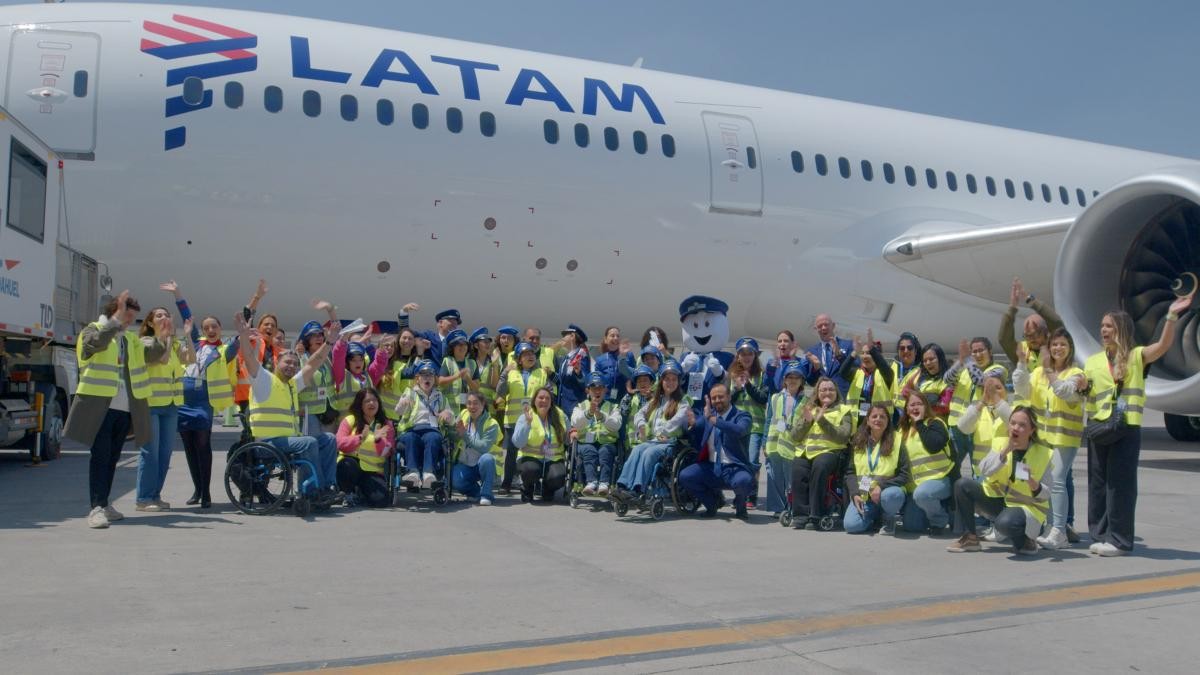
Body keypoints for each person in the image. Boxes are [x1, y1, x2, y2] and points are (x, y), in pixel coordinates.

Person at [1082, 294, 1192, 556]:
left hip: (1125, 429)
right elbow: (1089, 392)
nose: (1103, 330)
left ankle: (1119, 540)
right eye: (1102, 325)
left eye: (1109, 326)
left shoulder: (1135, 356)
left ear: (1120, 329)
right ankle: (1100, 534)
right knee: (1097, 484)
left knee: (1120, 486)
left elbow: (1163, 345)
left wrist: (1171, 316)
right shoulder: (1093, 361)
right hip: (1099, 428)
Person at [65, 291, 165, 528]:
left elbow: (151, 355)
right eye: (127, 315)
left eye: (132, 317)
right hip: (100, 407)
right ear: (114, 312)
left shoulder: (128, 339)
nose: (130, 321)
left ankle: (105, 504)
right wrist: (114, 323)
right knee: (100, 457)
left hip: (123, 409)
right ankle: (95, 508)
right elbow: (94, 344)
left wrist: (162, 335)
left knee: (111, 458)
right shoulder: (93, 330)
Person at [235, 311, 340, 503]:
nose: (292, 366)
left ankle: (328, 486)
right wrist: (243, 336)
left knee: (330, 439)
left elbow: (314, 362)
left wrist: (330, 342)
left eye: (294, 364)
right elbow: (249, 358)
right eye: (287, 362)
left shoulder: (292, 385)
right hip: (267, 443)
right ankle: (313, 490)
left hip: (287, 441)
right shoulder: (264, 380)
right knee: (308, 442)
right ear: (277, 363)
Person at [161, 280, 238, 509]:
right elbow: (187, 317)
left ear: (220, 329)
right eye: (207, 327)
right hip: (184, 398)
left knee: (203, 444)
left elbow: (241, 337)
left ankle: (206, 493)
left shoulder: (224, 350)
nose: (210, 330)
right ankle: (196, 489)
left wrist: (253, 305)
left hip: (204, 400)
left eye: (214, 326)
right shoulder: (195, 343)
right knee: (188, 445)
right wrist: (178, 294)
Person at [947, 406, 1053, 555]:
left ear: (1032, 430)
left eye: (1022, 425)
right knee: (962, 485)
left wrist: (1032, 482)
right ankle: (970, 538)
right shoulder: (1001, 443)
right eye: (1013, 423)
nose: (1015, 428)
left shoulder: (1044, 453)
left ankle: (1025, 541)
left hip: (1026, 511)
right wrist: (1004, 452)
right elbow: (984, 469)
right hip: (999, 503)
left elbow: (1047, 494)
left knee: (1004, 523)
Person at [1014, 329, 1085, 549]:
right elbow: (1022, 390)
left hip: (1065, 438)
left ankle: (1059, 530)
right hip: (1043, 438)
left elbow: (1064, 391)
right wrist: (1021, 364)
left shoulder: (1077, 373)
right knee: (1045, 482)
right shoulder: (1037, 374)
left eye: (1063, 344)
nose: (1057, 349)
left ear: (1070, 348)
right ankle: (1049, 526)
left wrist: (1047, 370)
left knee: (1057, 481)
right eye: (1054, 345)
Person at [135, 303, 195, 511]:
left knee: (164, 454)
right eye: (159, 316)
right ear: (150, 323)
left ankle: (155, 495)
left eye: (166, 315)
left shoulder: (174, 343)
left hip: (170, 406)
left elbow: (192, 359)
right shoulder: (145, 342)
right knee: (150, 453)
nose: (164, 318)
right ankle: (143, 498)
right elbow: (162, 359)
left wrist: (187, 335)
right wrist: (168, 338)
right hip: (150, 405)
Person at [610, 361, 688, 504]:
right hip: (655, 441)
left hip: (671, 443)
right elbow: (640, 413)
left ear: (678, 382)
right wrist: (642, 425)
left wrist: (661, 431)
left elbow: (677, 420)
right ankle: (622, 486)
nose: (670, 382)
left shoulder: (683, 401)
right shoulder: (656, 400)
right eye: (667, 379)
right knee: (637, 449)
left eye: (674, 379)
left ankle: (638, 489)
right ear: (661, 381)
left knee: (648, 453)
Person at [677, 383, 754, 519]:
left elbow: (739, 431)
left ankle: (741, 507)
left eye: (721, 397)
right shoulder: (708, 416)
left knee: (744, 481)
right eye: (714, 398)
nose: (717, 400)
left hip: (735, 468)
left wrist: (714, 420)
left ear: (729, 397)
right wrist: (692, 424)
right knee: (685, 476)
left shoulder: (742, 416)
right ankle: (712, 504)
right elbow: (696, 427)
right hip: (711, 467)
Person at [788, 377, 852, 530]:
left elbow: (843, 436)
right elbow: (795, 436)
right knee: (798, 468)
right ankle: (800, 515)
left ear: (836, 392)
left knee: (820, 465)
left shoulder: (844, 411)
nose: (827, 392)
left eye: (831, 389)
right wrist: (807, 421)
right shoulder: (809, 409)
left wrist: (822, 420)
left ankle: (816, 514)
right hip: (807, 452)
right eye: (823, 390)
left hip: (831, 452)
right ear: (817, 393)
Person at [843, 404, 910, 534]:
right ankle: (875, 517)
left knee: (892, 495)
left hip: (887, 493)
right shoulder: (858, 441)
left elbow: (904, 474)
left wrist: (881, 486)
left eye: (882, 417)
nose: (878, 419)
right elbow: (850, 472)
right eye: (874, 416)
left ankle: (888, 519)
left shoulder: (897, 439)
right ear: (867, 420)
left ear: (888, 421)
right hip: (865, 494)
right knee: (851, 526)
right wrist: (855, 493)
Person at [946, 337, 1009, 471]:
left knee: (980, 468)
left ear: (990, 352)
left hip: (981, 427)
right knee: (951, 468)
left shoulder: (998, 370)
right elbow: (947, 380)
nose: (977, 355)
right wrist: (960, 361)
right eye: (974, 352)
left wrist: (968, 360)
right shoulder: (965, 370)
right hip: (958, 426)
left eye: (981, 350)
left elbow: (980, 380)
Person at [897, 391, 954, 535]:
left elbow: (933, 446)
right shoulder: (902, 430)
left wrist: (920, 423)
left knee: (923, 495)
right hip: (914, 486)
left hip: (939, 479)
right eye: (912, 405)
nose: (915, 408)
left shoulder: (936, 422)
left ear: (926, 406)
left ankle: (939, 520)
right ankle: (930, 510)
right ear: (906, 409)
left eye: (919, 404)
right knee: (912, 527)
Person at [496, 341, 549, 494]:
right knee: (511, 454)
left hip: (534, 420)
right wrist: (504, 373)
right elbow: (500, 392)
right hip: (513, 420)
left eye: (532, 354)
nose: (530, 357)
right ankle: (506, 483)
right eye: (526, 354)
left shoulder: (541, 373)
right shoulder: (511, 373)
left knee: (534, 451)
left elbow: (548, 394)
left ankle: (534, 483)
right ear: (519, 359)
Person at [394, 359, 453, 489]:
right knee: (410, 438)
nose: (427, 378)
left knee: (433, 438)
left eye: (430, 375)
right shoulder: (410, 392)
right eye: (424, 375)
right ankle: (413, 472)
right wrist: (403, 404)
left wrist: (447, 415)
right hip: (412, 429)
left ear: (435, 379)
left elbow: (451, 417)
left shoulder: (440, 396)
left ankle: (428, 473)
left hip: (431, 430)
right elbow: (398, 411)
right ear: (417, 378)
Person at [334, 388, 394, 508]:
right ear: (360, 404)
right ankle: (348, 493)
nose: (371, 403)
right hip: (351, 466)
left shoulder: (386, 424)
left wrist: (378, 440)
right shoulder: (350, 420)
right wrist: (360, 438)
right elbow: (339, 443)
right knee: (347, 465)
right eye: (367, 401)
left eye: (374, 400)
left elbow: (387, 452)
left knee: (381, 502)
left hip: (373, 471)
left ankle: (361, 492)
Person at [727, 337, 768, 508]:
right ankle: (740, 495)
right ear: (737, 356)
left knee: (751, 461)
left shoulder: (762, 375)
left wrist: (749, 385)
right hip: (737, 426)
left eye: (750, 353)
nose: (746, 357)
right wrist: (737, 387)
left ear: (755, 355)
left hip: (755, 426)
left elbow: (763, 398)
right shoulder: (731, 375)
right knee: (738, 462)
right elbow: (728, 400)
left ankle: (751, 495)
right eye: (743, 354)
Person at [998, 277, 1063, 379]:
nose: (1031, 339)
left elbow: (1057, 323)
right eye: (1027, 336)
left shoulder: (1056, 347)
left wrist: (1030, 300)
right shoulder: (1021, 351)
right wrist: (1012, 308)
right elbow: (1003, 339)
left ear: (1046, 333)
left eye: (1035, 334)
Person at [763, 361, 806, 516]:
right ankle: (778, 507)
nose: (793, 380)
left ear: (802, 381)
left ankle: (792, 507)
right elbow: (769, 420)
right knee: (774, 477)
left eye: (797, 377)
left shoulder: (805, 401)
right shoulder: (775, 397)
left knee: (791, 479)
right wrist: (763, 442)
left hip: (792, 444)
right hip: (774, 444)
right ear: (785, 380)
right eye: (790, 377)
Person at [569, 372, 622, 495]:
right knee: (588, 450)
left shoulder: (613, 406)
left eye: (600, 388)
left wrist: (601, 416)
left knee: (605, 452)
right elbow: (575, 423)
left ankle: (604, 483)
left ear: (605, 390)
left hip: (607, 442)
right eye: (594, 388)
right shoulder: (580, 406)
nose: (597, 391)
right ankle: (591, 482)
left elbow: (616, 425)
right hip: (585, 442)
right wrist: (588, 413)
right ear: (588, 390)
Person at [512, 387, 569, 503]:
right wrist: (527, 424)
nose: (544, 400)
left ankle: (548, 489)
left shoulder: (560, 415)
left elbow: (567, 438)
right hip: (530, 457)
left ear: (551, 402)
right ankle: (527, 488)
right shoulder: (526, 416)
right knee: (530, 470)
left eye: (547, 398)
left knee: (558, 477)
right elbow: (517, 442)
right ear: (534, 400)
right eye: (541, 398)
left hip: (553, 457)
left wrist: (572, 433)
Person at [955, 373, 1012, 475]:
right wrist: (982, 402)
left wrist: (996, 399)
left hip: (1004, 474)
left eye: (997, 388)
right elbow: (963, 427)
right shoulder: (979, 411)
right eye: (989, 389)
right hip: (981, 473)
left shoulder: (1013, 410)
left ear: (1006, 391)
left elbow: (1011, 421)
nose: (993, 392)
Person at [451, 391, 501, 505]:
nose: (472, 407)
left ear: (483, 405)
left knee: (487, 459)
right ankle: (476, 493)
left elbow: (483, 447)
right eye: (469, 403)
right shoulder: (463, 414)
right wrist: (453, 430)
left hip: (483, 464)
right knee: (455, 480)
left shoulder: (492, 423)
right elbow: (453, 435)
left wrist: (464, 434)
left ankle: (486, 495)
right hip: (465, 463)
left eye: (475, 403)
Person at [841, 331, 894, 433]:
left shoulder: (885, 374)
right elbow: (842, 372)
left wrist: (873, 349)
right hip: (857, 422)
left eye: (868, 353)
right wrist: (855, 352)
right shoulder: (857, 372)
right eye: (862, 353)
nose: (865, 356)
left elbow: (884, 366)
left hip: (877, 422)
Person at [374, 326, 424, 418]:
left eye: (391, 346)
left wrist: (420, 353)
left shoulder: (399, 365)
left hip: (399, 413)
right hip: (378, 414)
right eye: (386, 346)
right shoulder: (375, 365)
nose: (389, 348)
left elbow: (411, 372)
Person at [804, 314, 855, 396]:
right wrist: (815, 368)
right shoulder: (811, 352)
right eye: (820, 326)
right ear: (815, 329)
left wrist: (840, 357)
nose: (823, 328)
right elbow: (811, 382)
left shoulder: (848, 345)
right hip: (822, 399)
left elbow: (855, 373)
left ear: (833, 326)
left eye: (826, 324)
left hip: (842, 397)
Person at [898, 343, 951, 419]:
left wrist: (922, 406)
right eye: (925, 360)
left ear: (940, 359)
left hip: (936, 424)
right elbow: (905, 392)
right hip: (916, 422)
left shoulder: (949, 378)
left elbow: (945, 407)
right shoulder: (919, 373)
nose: (928, 363)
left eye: (931, 359)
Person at [556, 324, 592, 417]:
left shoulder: (581, 355)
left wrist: (579, 373)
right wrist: (551, 375)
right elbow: (562, 381)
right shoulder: (565, 358)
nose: (562, 338)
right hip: (563, 406)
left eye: (565, 335)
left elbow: (585, 382)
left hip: (575, 406)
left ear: (572, 336)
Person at [438, 329, 475, 416]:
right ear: (453, 348)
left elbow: (476, 389)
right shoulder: (447, 361)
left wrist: (468, 379)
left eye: (465, 344)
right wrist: (457, 376)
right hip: (450, 412)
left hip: (468, 412)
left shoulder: (472, 363)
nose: (462, 347)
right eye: (459, 345)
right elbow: (440, 382)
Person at [594, 326, 635, 404]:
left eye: (618, 336)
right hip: (606, 400)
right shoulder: (600, 360)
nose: (616, 338)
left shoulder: (628, 355)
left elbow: (633, 375)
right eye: (612, 336)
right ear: (606, 339)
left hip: (626, 399)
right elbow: (598, 382)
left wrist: (623, 355)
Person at [889, 332, 922, 412]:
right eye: (902, 348)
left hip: (910, 415)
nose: (906, 351)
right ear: (898, 351)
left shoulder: (921, 370)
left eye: (910, 348)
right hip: (891, 415)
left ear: (916, 351)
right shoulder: (891, 366)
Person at [468, 328, 498, 412]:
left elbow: (494, 385)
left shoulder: (493, 362)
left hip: (488, 407)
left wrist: (495, 365)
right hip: (472, 406)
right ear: (476, 345)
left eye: (489, 342)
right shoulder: (469, 362)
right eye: (485, 342)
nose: (488, 344)